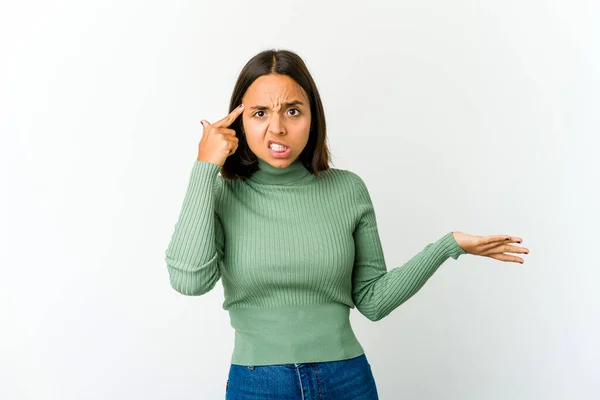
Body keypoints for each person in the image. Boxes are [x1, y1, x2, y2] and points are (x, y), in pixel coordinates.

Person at [164, 49, 529, 400]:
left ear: (313, 116)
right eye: (260, 113)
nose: (277, 128)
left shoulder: (347, 189)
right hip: (259, 384)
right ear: (238, 120)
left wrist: (448, 245)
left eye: (293, 110)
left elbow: (372, 300)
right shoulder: (221, 191)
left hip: (346, 380)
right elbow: (190, 280)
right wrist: (205, 166)